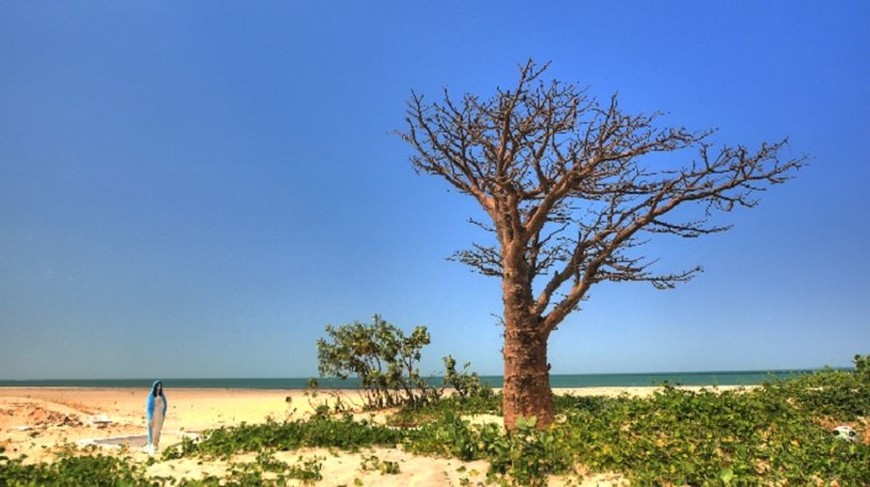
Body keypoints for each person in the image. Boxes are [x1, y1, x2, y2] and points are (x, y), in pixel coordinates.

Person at [145, 380, 167, 453]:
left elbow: (165, 404)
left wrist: (163, 413)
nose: (159, 387)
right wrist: (150, 417)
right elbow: (149, 407)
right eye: (158, 386)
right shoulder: (152, 396)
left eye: (160, 386)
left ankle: (155, 444)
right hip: (154, 414)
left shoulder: (161, 396)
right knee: (153, 430)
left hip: (159, 415)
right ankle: (151, 444)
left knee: (157, 430)